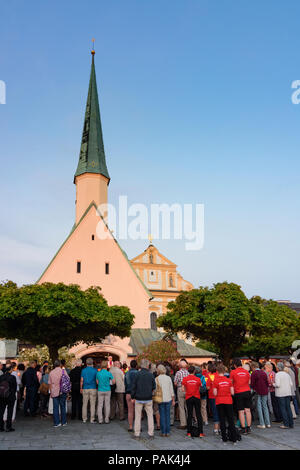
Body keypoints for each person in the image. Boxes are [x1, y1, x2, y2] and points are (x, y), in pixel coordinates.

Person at [213, 364, 239, 444]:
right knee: (230, 419)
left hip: (219, 401)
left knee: (222, 419)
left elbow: (215, 393)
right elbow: (232, 392)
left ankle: (224, 438)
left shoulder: (215, 381)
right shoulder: (228, 380)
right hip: (228, 401)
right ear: (224, 371)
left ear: (217, 371)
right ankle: (234, 438)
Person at [131, 358, 156, 440]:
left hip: (138, 398)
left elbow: (133, 387)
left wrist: (132, 397)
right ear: (147, 366)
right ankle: (151, 433)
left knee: (137, 416)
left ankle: (137, 434)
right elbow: (154, 387)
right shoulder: (151, 375)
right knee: (150, 416)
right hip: (148, 398)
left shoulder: (137, 374)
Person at [230, 358, 252, 434]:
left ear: (235, 365)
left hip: (239, 392)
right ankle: (249, 427)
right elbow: (249, 382)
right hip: (247, 391)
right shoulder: (246, 372)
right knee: (248, 410)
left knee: (241, 411)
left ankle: (243, 428)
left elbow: (231, 383)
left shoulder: (233, 372)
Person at [181, 366, 204, 438]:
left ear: (188, 371)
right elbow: (201, 387)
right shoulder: (198, 379)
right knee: (198, 414)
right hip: (196, 397)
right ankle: (201, 432)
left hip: (189, 397)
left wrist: (187, 391)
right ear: (194, 371)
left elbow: (182, 389)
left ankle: (189, 432)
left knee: (189, 414)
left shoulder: (185, 379)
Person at [156, 364, 175, 437]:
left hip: (160, 399)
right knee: (167, 415)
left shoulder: (157, 379)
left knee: (162, 415)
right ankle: (168, 431)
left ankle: (163, 431)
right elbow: (171, 390)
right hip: (168, 398)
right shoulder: (168, 378)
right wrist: (173, 400)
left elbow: (155, 390)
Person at [250, 361, 271, 429]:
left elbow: (252, 384)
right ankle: (268, 423)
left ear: (253, 367)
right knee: (265, 406)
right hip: (265, 390)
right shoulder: (263, 372)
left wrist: (253, 389)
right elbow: (267, 382)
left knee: (259, 407)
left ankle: (262, 423)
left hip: (258, 391)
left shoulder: (254, 373)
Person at [48, 360, 68, 427]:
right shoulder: (63, 371)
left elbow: (50, 384)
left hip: (54, 391)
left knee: (55, 407)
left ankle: (56, 422)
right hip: (62, 391)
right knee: (63, 406)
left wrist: (51, 392)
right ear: (60, 365)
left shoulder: (51, 372)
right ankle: (64, 422)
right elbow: (68, 380)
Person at [274, 362, 294, 429]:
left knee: (283, 409)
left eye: (276, 367)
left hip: (281, 394)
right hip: (288, 393)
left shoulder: (277, 375)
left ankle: (286, 424)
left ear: (278, 368)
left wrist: (273, 384)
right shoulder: (287, 374)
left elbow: (278, 385)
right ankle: (291, 424)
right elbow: (291, 384)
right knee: (288, 408)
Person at [80, 357, 98, 423]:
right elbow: (96, 380)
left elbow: (81, 380)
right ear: (92, 363)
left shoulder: (83, 370)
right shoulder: (95, 370)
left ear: (86, 363)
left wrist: (81, 388)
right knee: (92, 404)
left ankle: (84, 418)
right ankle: (92, 419)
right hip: (93, 388)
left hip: (85, 388)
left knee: (84, 404)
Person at [0, 365, 17, 432]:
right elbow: (14, 387)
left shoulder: (1, 377)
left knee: (1, 411)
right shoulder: (12, 377)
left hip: (1, 396)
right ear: (10, 370)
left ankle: (1, 427)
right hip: (10, 396)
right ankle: (8, 427)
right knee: (10, 411)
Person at [174, 359, 189, 429]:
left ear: (180, 366)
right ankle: (189, 422)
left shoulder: (178, 373)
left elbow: (175, 383)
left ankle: (183, 423)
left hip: (180, 389)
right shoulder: (188, 373)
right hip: (188, 389)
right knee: (187, 406)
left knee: (181, 407)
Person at [206, 363, 220, 435]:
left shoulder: (209, 376)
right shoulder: (218, 375)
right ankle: (220, 427)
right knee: (220, 411)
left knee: (215, 412)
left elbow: (207, 387)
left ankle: (216, 428)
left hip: (212, 396)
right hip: (219, 395)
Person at [124, 360, 138, 432]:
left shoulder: (127, 373)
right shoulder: (138, 373)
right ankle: (137, 426)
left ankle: (130, 426)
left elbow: (125, 384)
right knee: (138, 411)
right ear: (136, 366)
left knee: (130, 411)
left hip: (128, 393)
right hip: (136, 394)